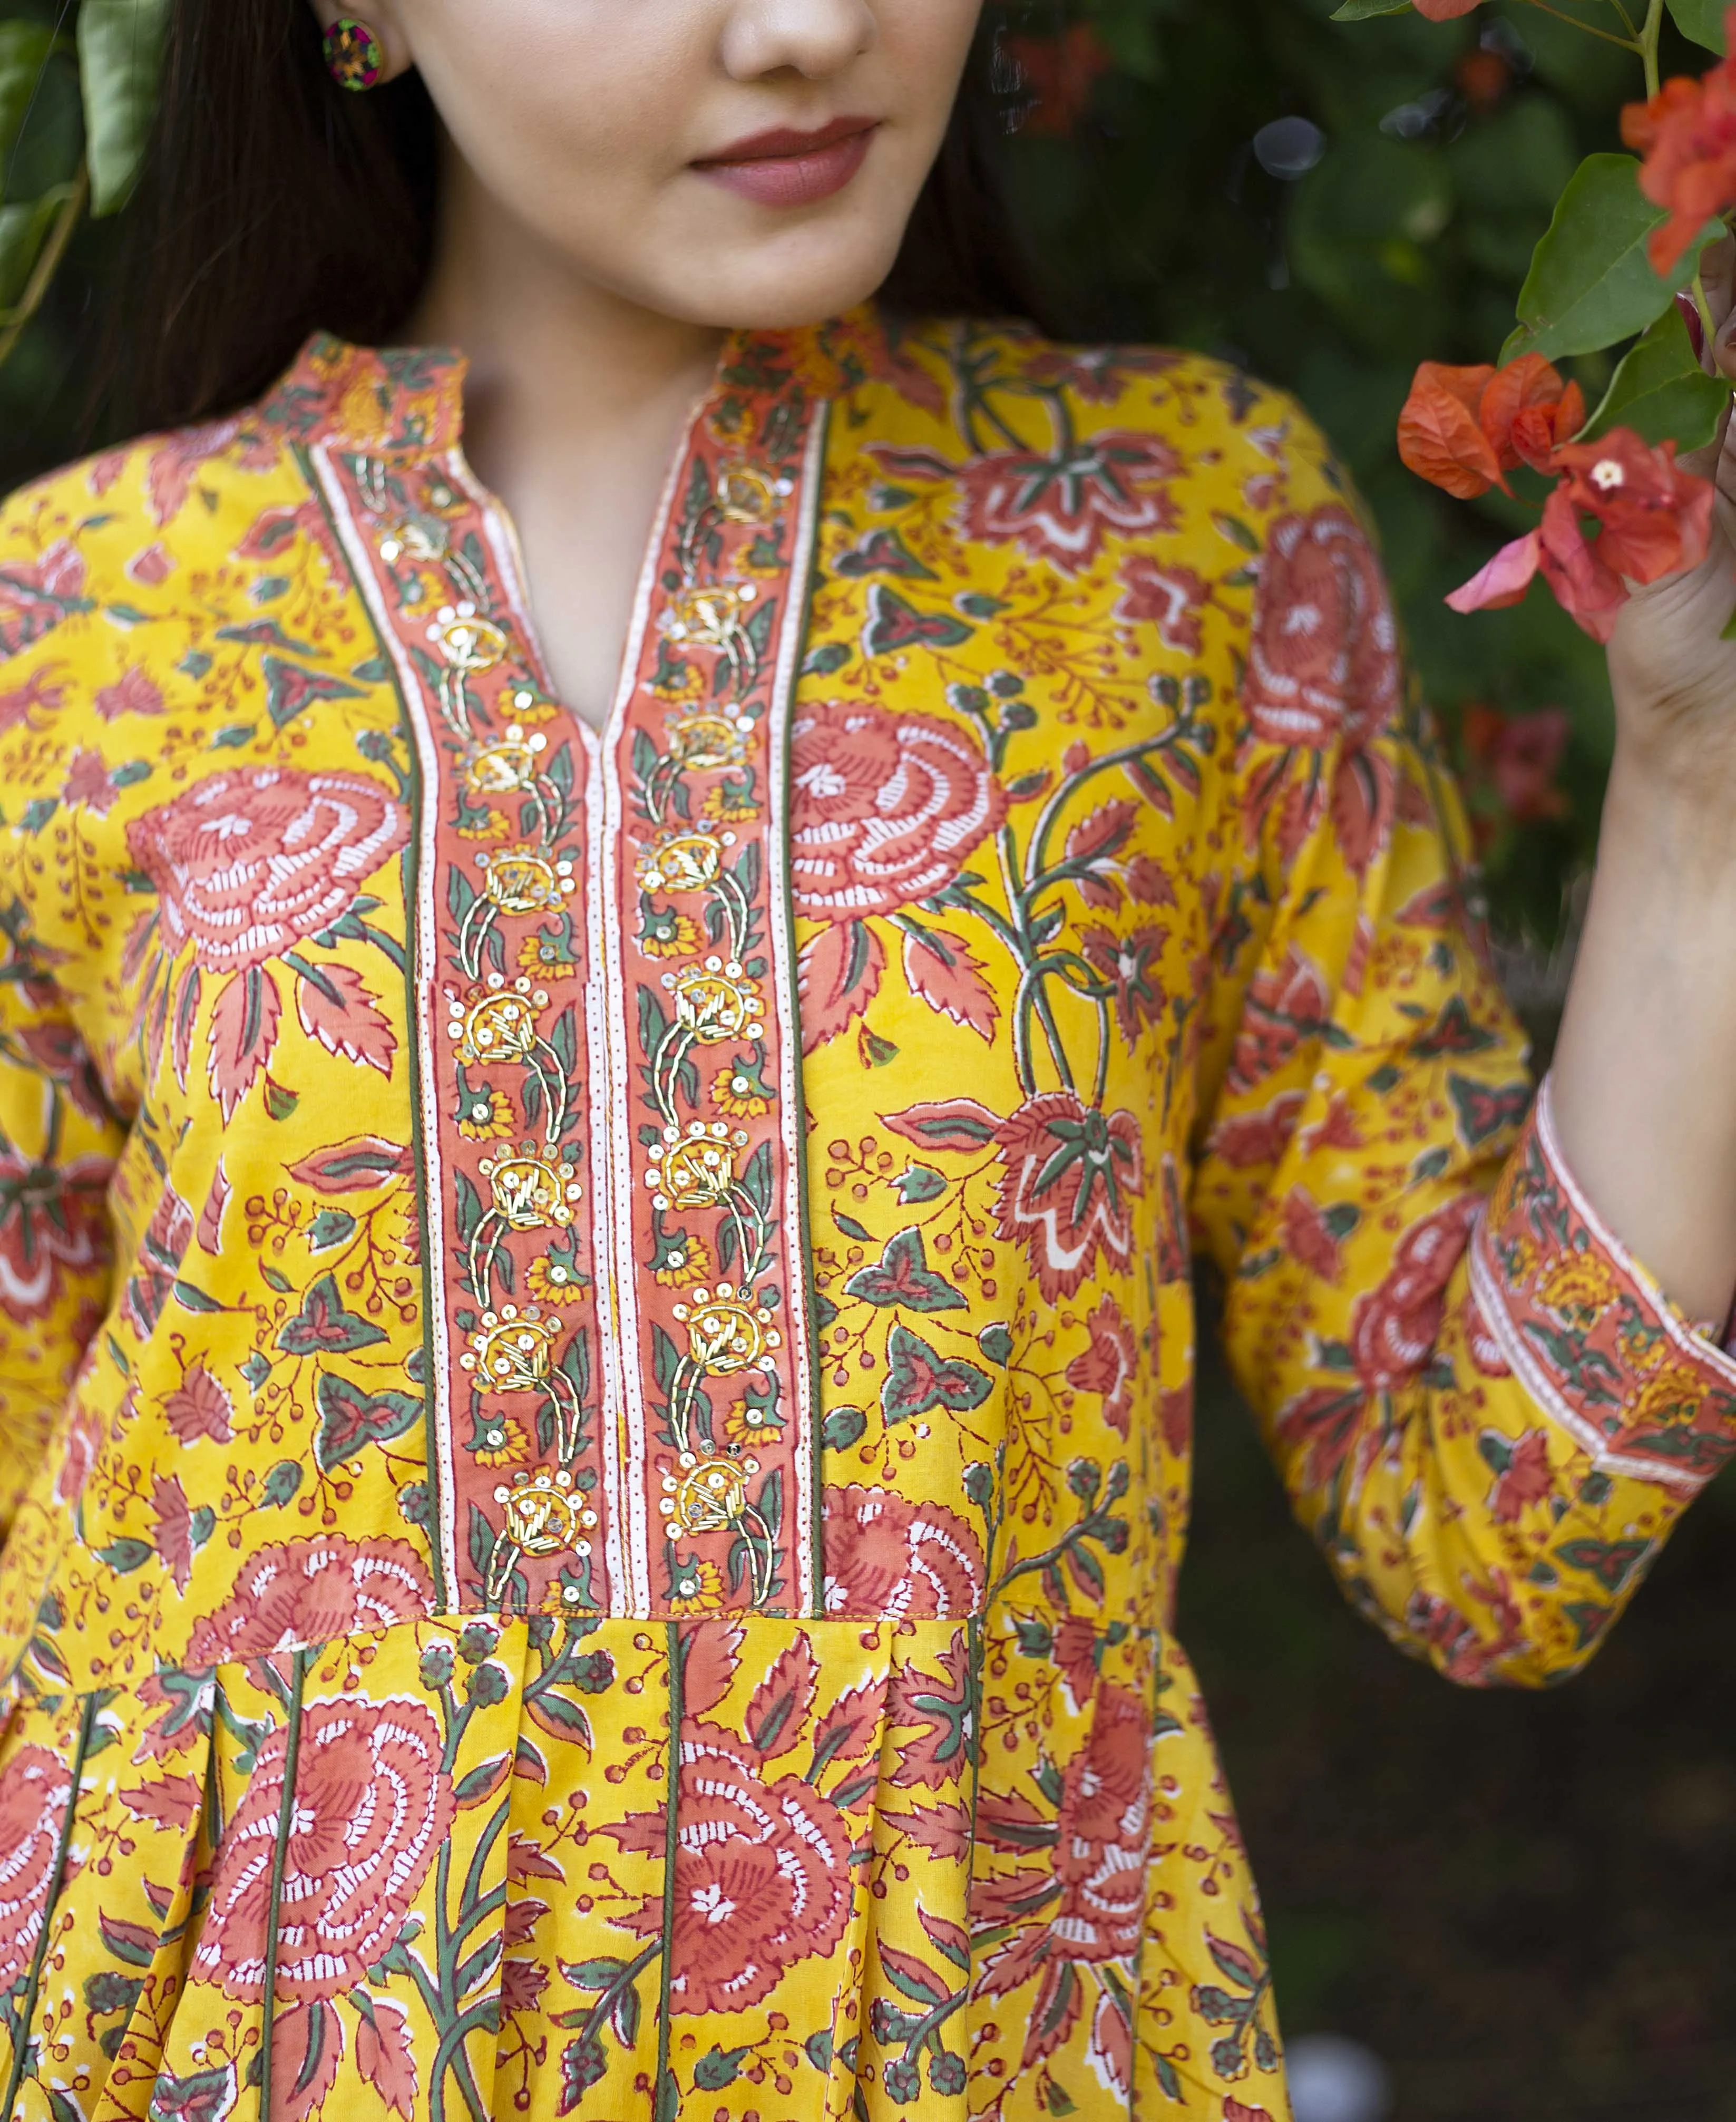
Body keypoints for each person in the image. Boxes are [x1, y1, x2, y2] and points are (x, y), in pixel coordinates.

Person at [1, 2, 1734, 2116]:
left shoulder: (1180, 539)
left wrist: (1697, 777)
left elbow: (1492, 1524)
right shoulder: (66, 631)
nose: (812, 25)